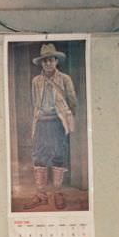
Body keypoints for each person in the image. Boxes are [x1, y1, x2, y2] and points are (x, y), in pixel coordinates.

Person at [24, 42, 77, 211]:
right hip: (41, 122)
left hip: (58, 122)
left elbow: (73, 101)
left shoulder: (64, 79)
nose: (48, 63)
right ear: (41, 63)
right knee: (39, 156)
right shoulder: (36, 81)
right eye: (45, 60)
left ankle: (57, 193)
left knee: (58, 155)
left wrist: (67, 117)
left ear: (56, 61)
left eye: (51, 60)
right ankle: (41, 195)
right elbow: (34, 102)